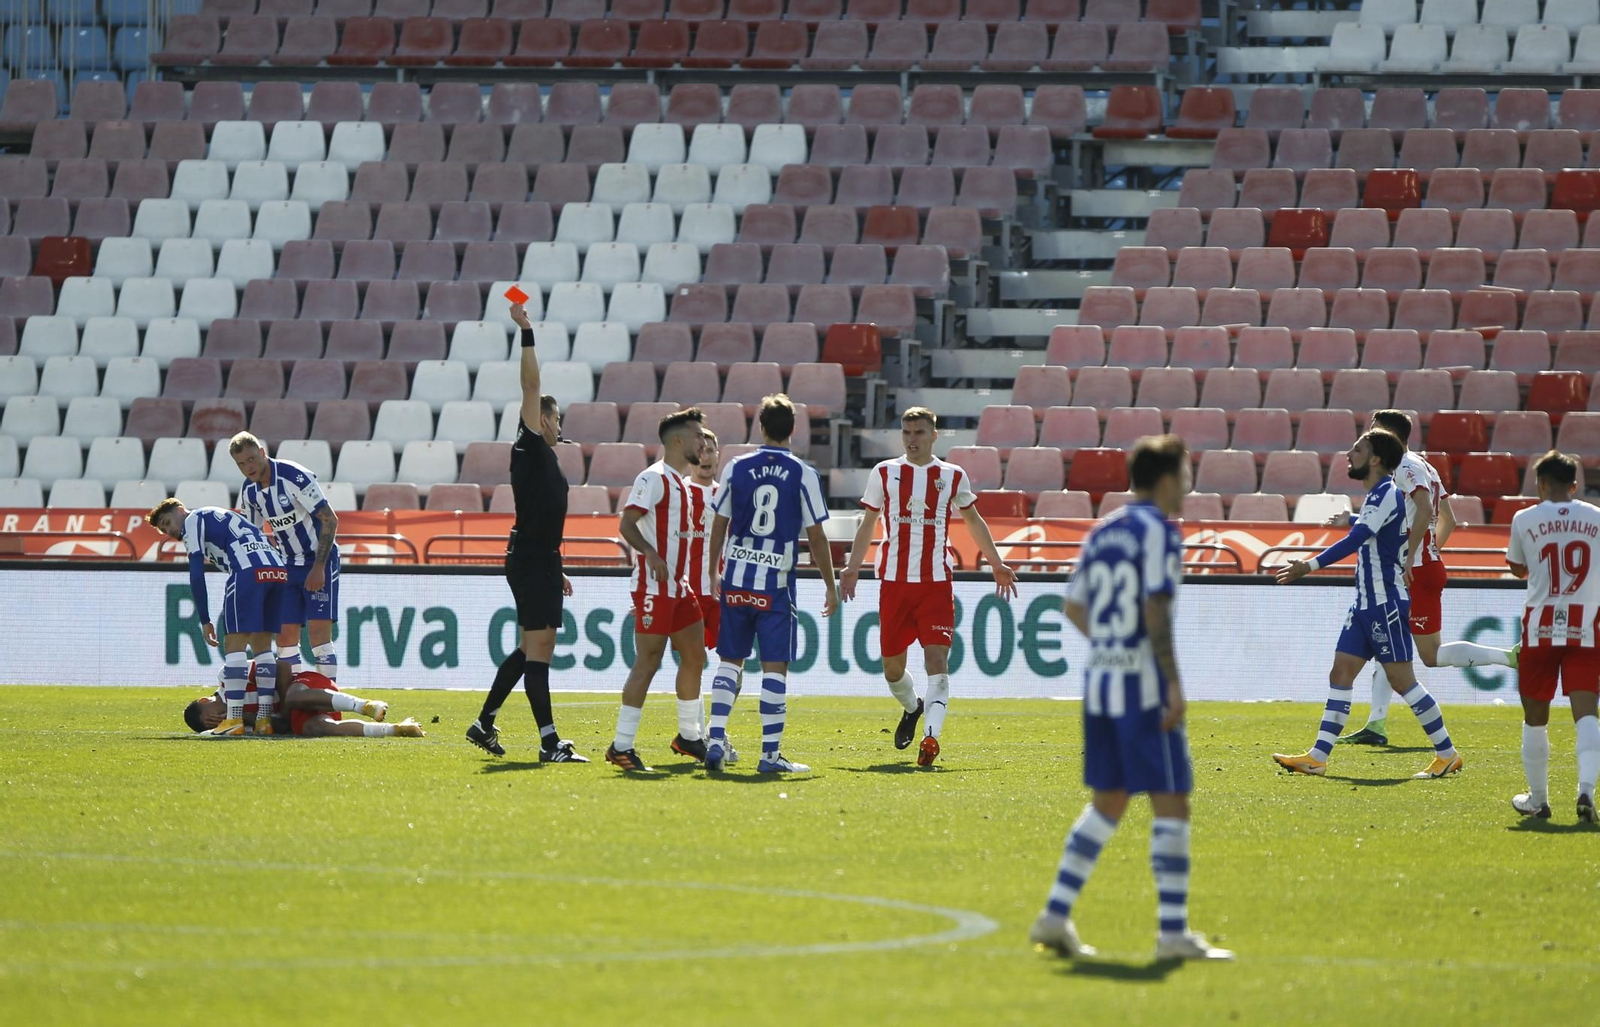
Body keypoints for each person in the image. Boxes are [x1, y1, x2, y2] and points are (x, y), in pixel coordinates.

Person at [1029, 435, 1231, 962]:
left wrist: (1111, 648)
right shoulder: (1161, 533)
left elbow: (1073, 609)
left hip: (1099, 685)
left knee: (1110, 801)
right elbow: (1154, 611)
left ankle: (1054, 914)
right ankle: (1171, 934)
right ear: (1165, 479)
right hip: (1141, 688)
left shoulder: (1103, 530)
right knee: (1171, 801)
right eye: (1184, 475)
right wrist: (1172, 682)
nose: (1188, 486)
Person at [1272, 430, 1465, 780]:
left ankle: (1447, 754)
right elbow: (1369, 528)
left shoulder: (1388, 492)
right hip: (1364, 604)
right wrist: (1350, 519)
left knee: (1403, 680)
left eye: (1357, 449)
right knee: (1340, 673)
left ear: (1375, 459)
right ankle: (1318, 757)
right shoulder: (1379, 497)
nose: (1349, 453)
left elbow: (1358, 538)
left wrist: (1308, 566)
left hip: (1385, 605)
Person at [839, 407, 1018, 767]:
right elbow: (868, 523)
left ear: (934, 436)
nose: (912, 439)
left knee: (937, 662)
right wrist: (853, 567)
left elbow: (973, 519)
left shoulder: (951, 476)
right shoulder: (885, 472)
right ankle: (913, 707)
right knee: (892, 668)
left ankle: (931, 740)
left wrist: (996, 563)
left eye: (919, 432)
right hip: (893, 583)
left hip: (936, 584)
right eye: (906, 432)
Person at [465, 300, 586, 763]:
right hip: (532, 559)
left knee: (529, 648)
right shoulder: (531, 444)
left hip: (540, 558)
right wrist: (527, 331)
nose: (559, 426)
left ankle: (484, 722)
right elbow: (531, 383)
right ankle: (550, 743)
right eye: (556, 419)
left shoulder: (544, 456)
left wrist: (555, 567)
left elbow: (542, 518)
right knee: (540, 650)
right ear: (542, 419)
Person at [704, 394, 839, 774]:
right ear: (793, 429)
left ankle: (715, 740)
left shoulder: (736, 467)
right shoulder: (802, 473)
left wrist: (713, 570)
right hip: (776, 586)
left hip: (736, 579)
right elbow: (816, 536)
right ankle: (769, 755)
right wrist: (831, 585)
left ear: (760, 427)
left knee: (730, 661)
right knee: (774, 668)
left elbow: (719, 524)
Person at [1338, 411, 1457, 746]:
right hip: (1424, 564)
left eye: (1373, 431)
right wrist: (1430, 552)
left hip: (1412, 570)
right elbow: (1448, 518)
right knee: (1387, 645)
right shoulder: (1425, 465)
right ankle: (1376, 725)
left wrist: (1412, 556)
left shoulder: (1404, 467)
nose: (1369, 436)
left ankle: (1505, 657)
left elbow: (1423, 510)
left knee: (1427, 657)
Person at [609, 407, 711, 771]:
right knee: (648, 662)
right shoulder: (652, 478)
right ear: (679, 440)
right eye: (699, 435)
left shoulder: (680, 482)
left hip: (678, 587)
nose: (704, 441)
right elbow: (627, 523)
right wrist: (650, 554)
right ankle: (621, 745)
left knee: (696, 657)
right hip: (654, 586)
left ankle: (688, 736)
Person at [1505, 451, 1600, 823]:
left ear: (1540, 484)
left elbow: (1516, 567)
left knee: (1535, 716)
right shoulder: (1596, 518)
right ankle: (1586, 792)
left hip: (1540, 626)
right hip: (1586, 626)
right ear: (1575, 484)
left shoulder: (1524, 518)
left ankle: (1539, 800)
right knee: (1587, 713)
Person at [147, 499, 288, 738]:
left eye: (167, 522)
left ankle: (233, 719)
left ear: (181, 510)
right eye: (163, 529)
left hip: (247, 570)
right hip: (277, 570)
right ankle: (265, 720)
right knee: (263, 647)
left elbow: (196, 572)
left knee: (234, 645)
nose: (169, 531)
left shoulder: (192, 520)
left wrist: (204, 619)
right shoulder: (216, 516)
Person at [232, 431, 341, 704]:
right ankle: (291, 703)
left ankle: (327, 702)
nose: (249, 467)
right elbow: (253, 535)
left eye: (252, 459)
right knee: (285, 639)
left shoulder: (294, 476)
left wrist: (318, 567)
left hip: (319, 560)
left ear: (262, 451)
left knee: (318, 637)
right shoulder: (250, 492)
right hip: (287, 565)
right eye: (242, 464)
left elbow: (330, 520)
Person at [683, 426, 740, 761]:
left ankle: (715, 732)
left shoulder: (729, 495)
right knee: (693, 665)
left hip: (723, 594)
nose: (705, 455)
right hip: (687, 592)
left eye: (711, 449)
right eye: (699, 449)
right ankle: (701, 736)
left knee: (734, 665)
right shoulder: (678, 492)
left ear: (719, 455)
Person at [184, 665, 424, 739]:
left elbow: (278, 666)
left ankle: (364, 705)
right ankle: (396, 729)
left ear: (204, 700)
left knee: (292, 696)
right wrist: (247, 719)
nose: (215, 721)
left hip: (303, 685)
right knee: (312, 729)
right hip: (299, 711)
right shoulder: (237, 724)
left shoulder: (229, 676)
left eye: (209, 717)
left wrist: (284, 710)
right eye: (210, 725)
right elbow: (280, 727)